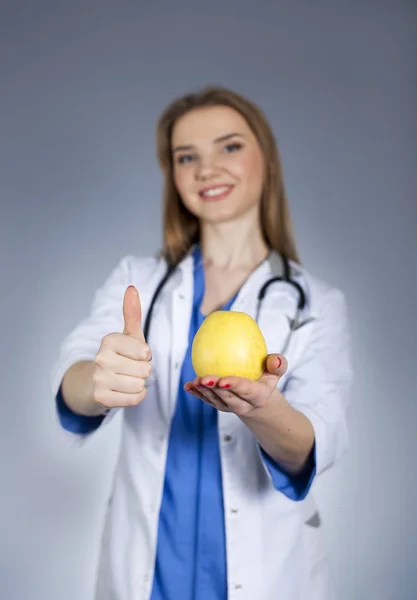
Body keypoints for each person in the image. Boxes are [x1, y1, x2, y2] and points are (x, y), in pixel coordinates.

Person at [52, 85, 352, 600]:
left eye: (229, 146)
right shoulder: (137, 281)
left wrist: (263, 409)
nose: (206, 168)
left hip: (261, 575)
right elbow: (71, 389)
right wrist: (98, 378)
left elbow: (314, 442)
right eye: (185, 156)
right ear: (173, 176)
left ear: (267, 158)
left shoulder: (314, 303)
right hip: (148, 572)